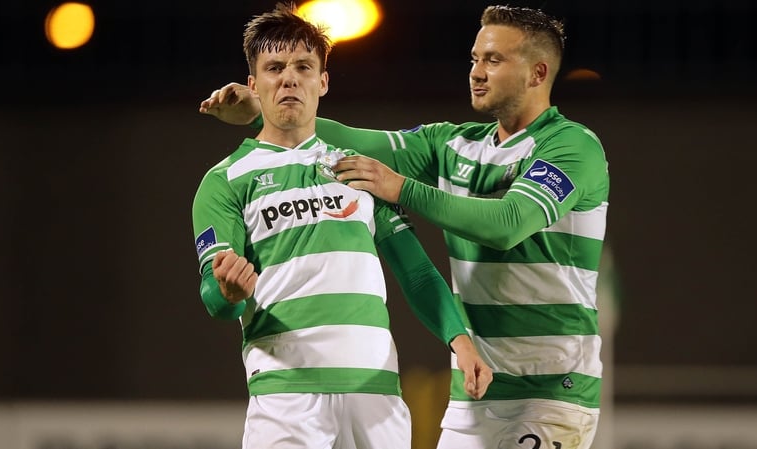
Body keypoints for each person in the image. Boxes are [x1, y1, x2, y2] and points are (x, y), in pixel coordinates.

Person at [199, 5, 610, 449]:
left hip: (548, 387)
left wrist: (400, 187)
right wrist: (263, 110)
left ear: (537, 72)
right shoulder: (451, 145)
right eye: (474, 58)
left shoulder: (571, 145)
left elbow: (508, 224)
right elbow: (325, 138)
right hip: (475, 390)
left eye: (493, 60)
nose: (476, 72)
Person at [191, 3, 492, 449]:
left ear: (323, 81)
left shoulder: (360, 170)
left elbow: (416, 271)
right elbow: (215, 297)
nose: (289, 79)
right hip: (287, 397)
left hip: (376, 394)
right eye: (274, 68)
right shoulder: (225, 181)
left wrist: (460, 341)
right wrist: (230, 294)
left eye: (303, 67)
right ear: (254, 85)